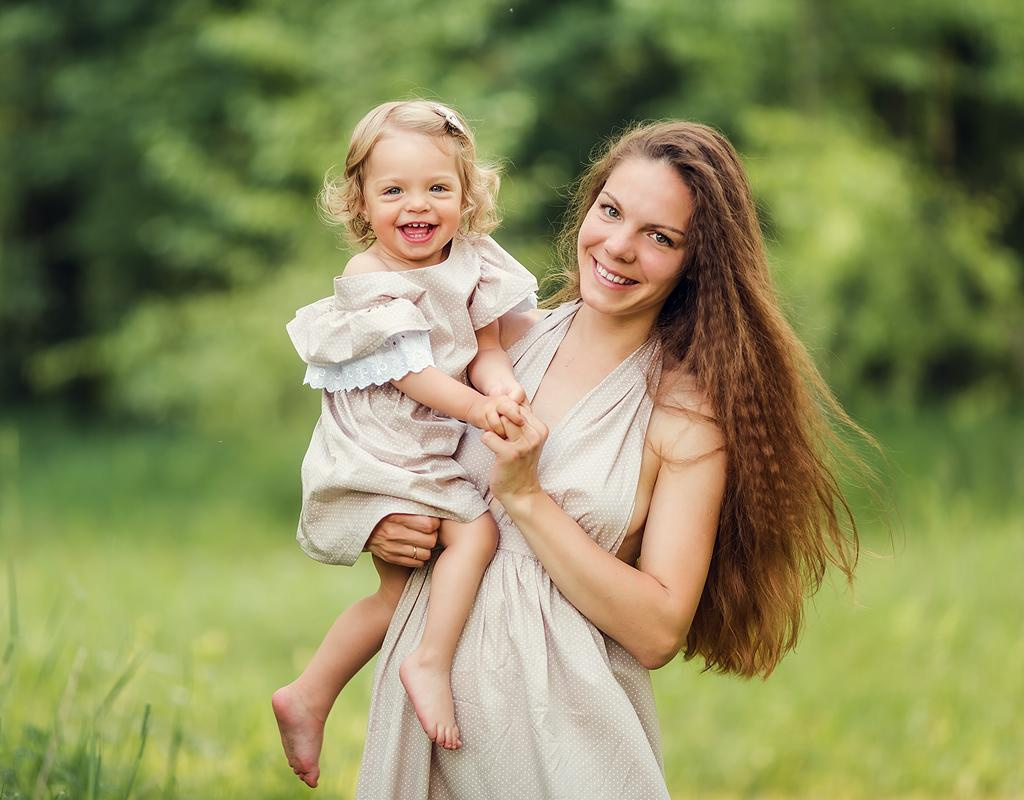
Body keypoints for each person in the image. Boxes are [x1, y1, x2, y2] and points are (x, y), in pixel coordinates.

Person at [350, 120, 867, 798]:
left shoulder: (685, 418)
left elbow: (657, 631)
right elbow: (382, 448)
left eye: (660, 237)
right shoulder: (496, 343)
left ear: (696, 261)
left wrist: (528, 498)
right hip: (426, 721)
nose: (619, 247)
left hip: (562, 741)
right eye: (612, 211)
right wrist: (381, 523)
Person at [272, 100, 539, 788]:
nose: (416, 206)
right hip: (387, 442)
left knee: (396, 596)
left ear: (466, 195)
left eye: (437, 188)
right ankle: (429, 660)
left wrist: (504, 387)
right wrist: (481, 410)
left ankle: (309, 695)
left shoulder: (473, 260)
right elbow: (417, 376)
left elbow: (485, 347)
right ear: (359, 200)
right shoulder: (370, 277)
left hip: (426, 438)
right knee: (473, 535)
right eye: (393, 190)